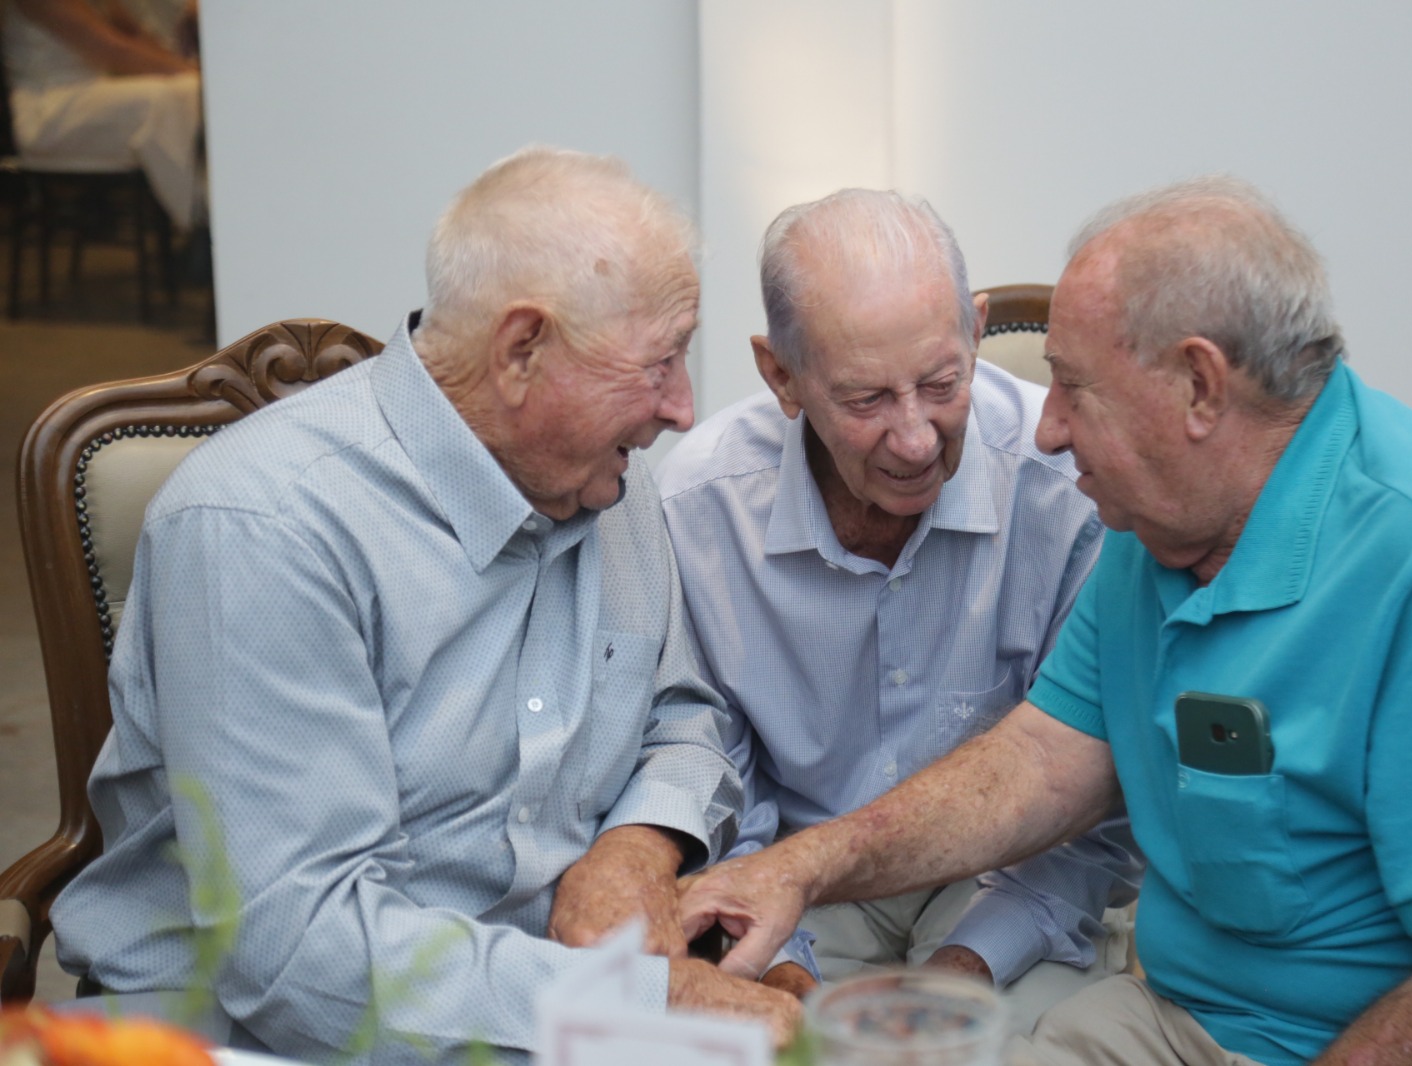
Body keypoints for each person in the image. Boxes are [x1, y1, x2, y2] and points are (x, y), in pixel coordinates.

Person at [680, 176, 1412, 1066]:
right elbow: (1037, 766)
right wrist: (802, 868)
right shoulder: (1153, 529)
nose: (1045, 430)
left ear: (1199, 386)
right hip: (1178, 1020)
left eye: (1074, 389)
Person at [49, 146, 800, 1062]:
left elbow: (683, 716)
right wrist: (641, 1006)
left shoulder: (608, 480)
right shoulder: (265, 527)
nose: (684, 409)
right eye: (660, 363)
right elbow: (300, 957)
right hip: (258, 1030)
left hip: (539, 1000)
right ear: (522, 351)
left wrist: (634, 848)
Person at [655, 189, 1141, 1035]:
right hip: (797, 889)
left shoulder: (1072, 489)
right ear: (782, 376)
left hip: (1017, 884)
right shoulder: (701, 506)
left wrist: (948, 984)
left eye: (941, 383)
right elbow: (714, 783)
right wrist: (789, 988)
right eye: (866, 399)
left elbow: (1094, 802)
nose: (916, 439)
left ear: (977, 328)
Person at [4, 0, 203, 228]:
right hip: (48, 109)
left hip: (92, 94)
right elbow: (111, 49)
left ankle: (207, 219)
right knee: (168, 99)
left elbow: (135, 38)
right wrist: (195, 78)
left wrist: (190, 73)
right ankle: (203, 223)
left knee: (183, 94)